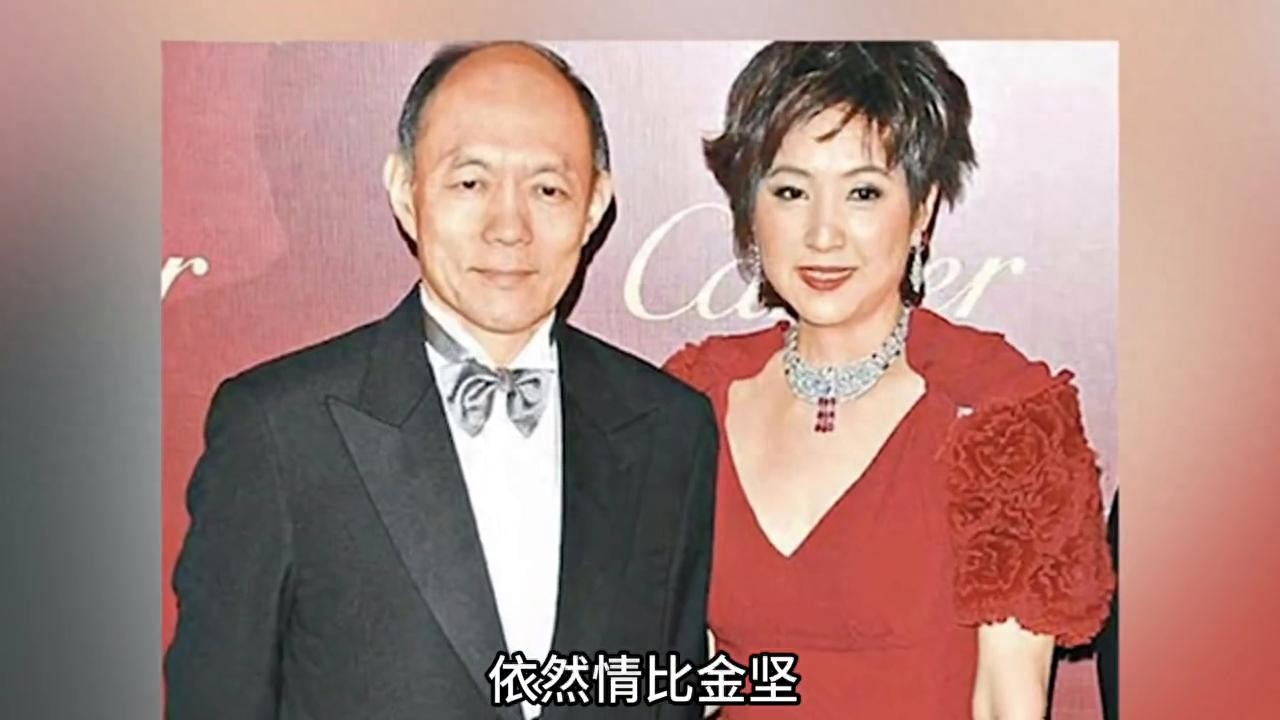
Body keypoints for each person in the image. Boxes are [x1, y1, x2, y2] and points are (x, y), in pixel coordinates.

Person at [166, 42, 717, 720]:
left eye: (547, 189)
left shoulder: (671, 429)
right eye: (470, 183)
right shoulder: (279, 429)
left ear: (595, 204)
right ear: (406, 191)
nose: (509, 228)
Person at [664, 42, 1115, 719]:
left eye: (863, 193)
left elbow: (1006, 703)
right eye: (790, 192)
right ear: (751, 209)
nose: (823, 234)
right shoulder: (697, 398)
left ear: (922, 209)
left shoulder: (998, 414)